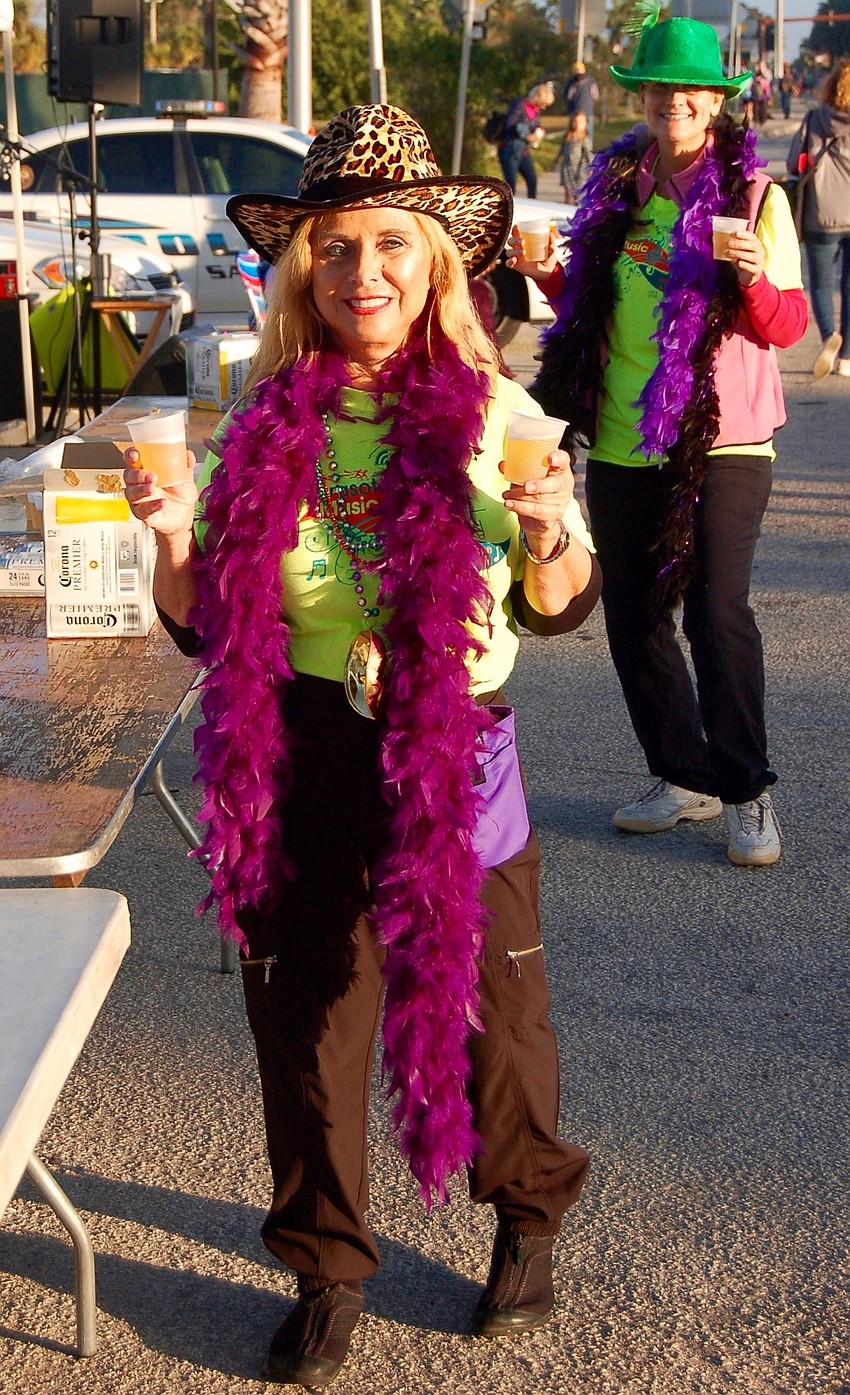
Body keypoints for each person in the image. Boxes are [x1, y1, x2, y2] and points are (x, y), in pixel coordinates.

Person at [124, 104, 599, 1389]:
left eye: (390, 245)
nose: (363, 275)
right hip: (296, 749)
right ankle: (327, 1265)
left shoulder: (497, 408)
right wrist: (176, 540)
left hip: (457, 750)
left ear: (434, 264)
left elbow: (561, 603)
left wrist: (552, 526)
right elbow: (201, 628)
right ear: (304, 269)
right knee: (304, 1022)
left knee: (493, 1006)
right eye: (335, 249)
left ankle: (527, 1217)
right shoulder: (266, 417)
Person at [509, 5, 809, 868]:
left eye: (688, 89)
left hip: (725, 438)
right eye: (656, 87)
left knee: (717, 613)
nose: (671, 101)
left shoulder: (757, 197)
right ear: (640, 96)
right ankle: (683, 774)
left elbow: (787, 327)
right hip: (622, 432)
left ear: (714, 102)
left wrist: (749, 276)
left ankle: (747, 791)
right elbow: (594, 308)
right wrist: (551, 275)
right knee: (635, 612)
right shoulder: (614, 192)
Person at [787, 56, 850, 379]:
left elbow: (792, 164)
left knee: (822, 285)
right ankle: (847, 358)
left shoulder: (814, 120)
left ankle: (829, 339)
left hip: (820, 215)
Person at [497, 81, 556, 197]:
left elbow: (536, 125)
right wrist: (527, 135)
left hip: (523, 151)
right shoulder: (519, 105)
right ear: (537, 98)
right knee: (510, 185)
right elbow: (509, 124)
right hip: (510, 149)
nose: (543, 107)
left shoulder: (535, 110)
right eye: (542, 104)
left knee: (532, 180)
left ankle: (532, 205)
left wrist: (540, 131)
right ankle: (508, 210)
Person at [556, 110, 593, 205]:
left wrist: (591, 168)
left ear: (585, 124)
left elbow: (589, 153)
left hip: (579, 170)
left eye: (580, 122)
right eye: (575, 121)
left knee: (578, 194)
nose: (577, 124)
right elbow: (561, 149)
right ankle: (566, 210)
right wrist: (556, 160)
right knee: (568, 192)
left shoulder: (584, 138)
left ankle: (578, 213)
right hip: (567, 168)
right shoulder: (568, 136)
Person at [563, 61, 600, 144]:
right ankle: (573, 147)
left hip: (588, 111)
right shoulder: (571, 82)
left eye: (580, 69)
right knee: (573, 131)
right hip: (574, 112)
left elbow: (595, 95)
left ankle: (588, 150)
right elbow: (567, 96)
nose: (579, 71)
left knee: (588, 132)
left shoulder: (591, 81)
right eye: (577, 69)